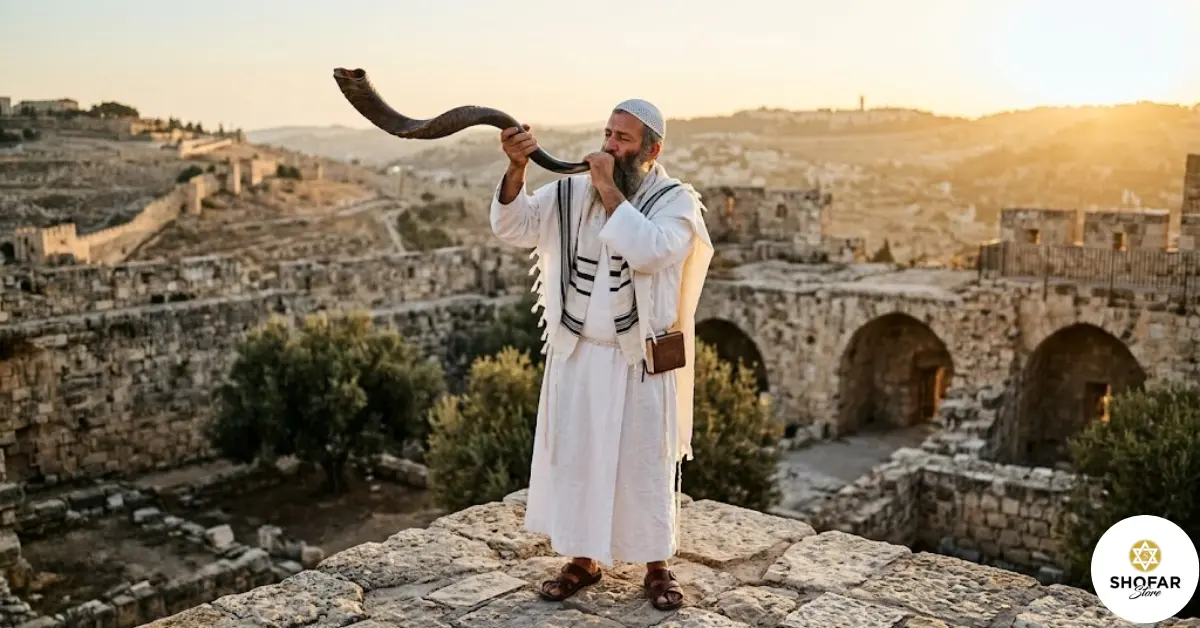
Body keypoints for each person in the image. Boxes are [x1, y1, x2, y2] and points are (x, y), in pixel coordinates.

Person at [488, 99, 713, 611]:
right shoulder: (570, 192)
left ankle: (656, 567)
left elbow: (652, 250)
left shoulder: (675, 201)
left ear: (651, 150)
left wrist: (610, 189)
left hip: (640, 363)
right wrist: (516, 167)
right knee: (579, 460)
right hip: (578, 357)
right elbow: (514, 226)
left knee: (643, 464)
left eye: (623, 140)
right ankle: (582, 560)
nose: (609, 146)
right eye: (608, 135)